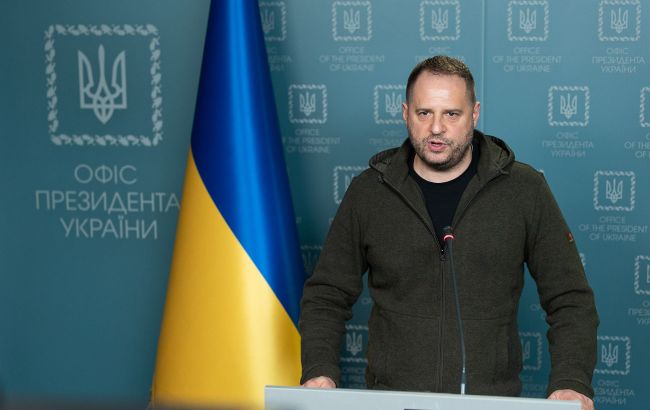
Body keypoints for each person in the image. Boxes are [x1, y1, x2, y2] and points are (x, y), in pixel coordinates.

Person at [298, 55, 599, 410]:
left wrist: (571, 382)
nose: (436, 128)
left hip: (491, 403)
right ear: (406, 113)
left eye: (451, 114)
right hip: (392, 401)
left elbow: (570, 298)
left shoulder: (525, 189)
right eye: (424, 113)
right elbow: (327, 294)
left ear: (474, 114)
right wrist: (319, 371)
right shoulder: (369, 192)